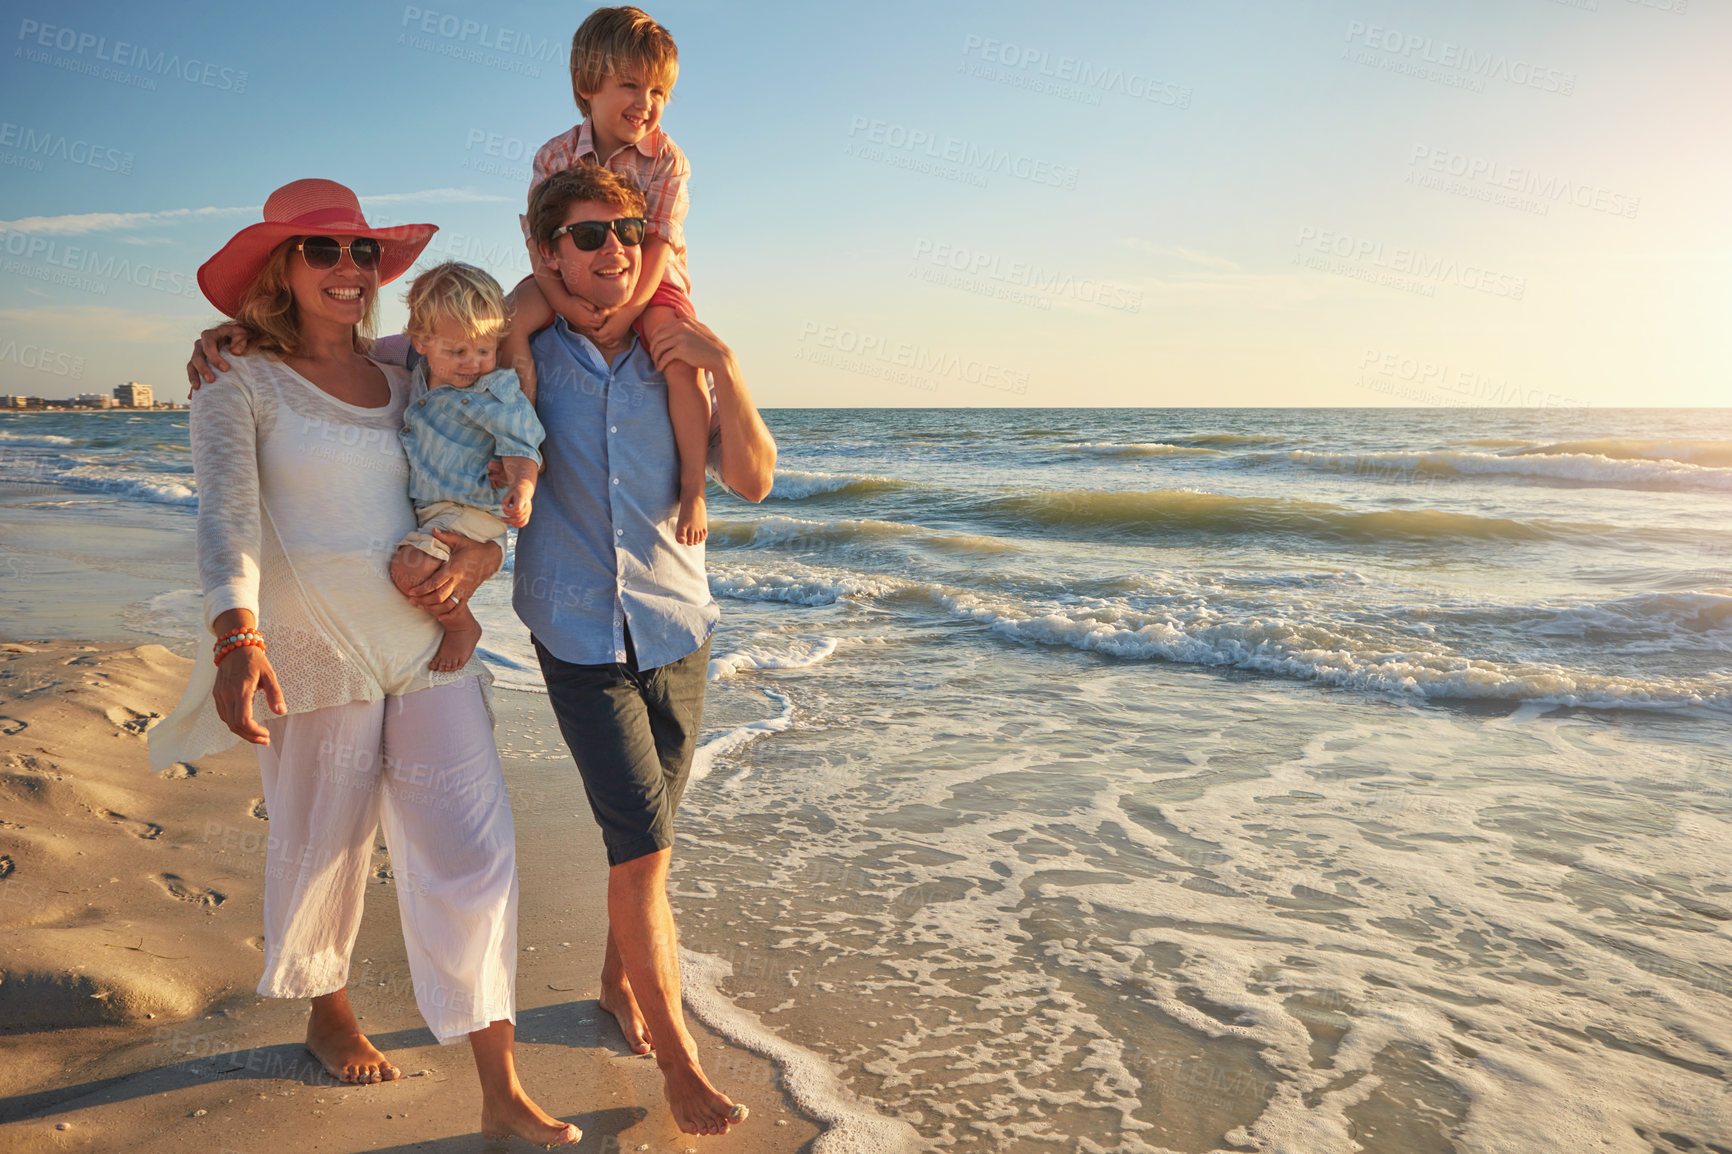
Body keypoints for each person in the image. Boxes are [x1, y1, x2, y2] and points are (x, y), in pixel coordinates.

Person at [154, 179, 579, 1146]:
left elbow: (466, 476)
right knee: (323, 845)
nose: (349, 269)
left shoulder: (409, 375)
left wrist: (484, 554)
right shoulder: (238, 379)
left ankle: (500, 1086)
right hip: (311, 650)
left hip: (427, 644)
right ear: (282, 269)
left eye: (360, 252)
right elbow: (222, 512)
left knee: (473, 855)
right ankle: (326, 1006)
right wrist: (236, 636)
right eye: (322, 251)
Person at [515, 163, 775, 1136]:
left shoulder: (676, 358)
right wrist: (252, 341)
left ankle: (613, 985)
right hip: (577, 637)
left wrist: (731, 366)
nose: (613, 248)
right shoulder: (528, 354)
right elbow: (407, 352)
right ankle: (681, 1062)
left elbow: (750, 478)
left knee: (647, 852)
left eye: (626, 230)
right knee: (643, 849)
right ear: (547, 255)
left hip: (678, 628)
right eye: (588, 235)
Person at [499, 6, 712, 547]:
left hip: (650, 276)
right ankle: (521, 451)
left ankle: (693, 485)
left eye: (659, 92)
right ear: (587, 85)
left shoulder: (668, 159)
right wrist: (562, 302)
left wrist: (632, 312)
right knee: (507, 322)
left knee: (680, 357)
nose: (646, 104)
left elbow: (661, 239)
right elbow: (538, 239)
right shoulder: (557, 155)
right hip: (566, 271)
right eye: (630, 85)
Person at [393, 261, 545, 673]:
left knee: (410, 570)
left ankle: (462, 627)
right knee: (414, 570)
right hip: (437, 506)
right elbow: (359, 348)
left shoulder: (492, 391)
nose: (472, 363)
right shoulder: (419, 369)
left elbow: (522, 445)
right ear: (421, 341)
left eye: (484, 350)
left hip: (472, 510)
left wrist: (523, 488)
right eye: (457, 351)